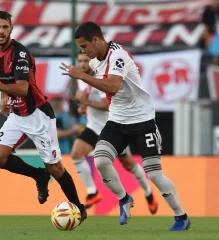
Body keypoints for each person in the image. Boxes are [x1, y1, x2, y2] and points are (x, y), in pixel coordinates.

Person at [60, 21, 190, 230]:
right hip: (117, 122)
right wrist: (85, 94)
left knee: (154, 173)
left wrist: (81, 76)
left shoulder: (118, 55)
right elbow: (100, 86)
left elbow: (112, 85)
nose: (83, 52)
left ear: (96, 40)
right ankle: (124, 198)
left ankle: (181, 216)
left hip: (142, 121)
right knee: (101, 161)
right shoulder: (95, 63)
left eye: (85, 47)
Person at [0, 11, 87, 222]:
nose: (1, 31)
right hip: (17, 115)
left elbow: (23, 88)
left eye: (4, 27)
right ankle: (38, 175)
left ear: (11, 28)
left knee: (55, 168)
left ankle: (79, 207)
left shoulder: (20, 54)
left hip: (38, 116)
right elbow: (5, 78)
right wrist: (2, 96)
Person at [72, 51, 158, 214]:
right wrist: (82, 107)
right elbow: (87, 100)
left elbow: (108, 104)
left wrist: (86, 102)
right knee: (76, 154)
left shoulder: (102, 79)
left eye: (85, 60)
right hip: (93, 126)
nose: (82, 64)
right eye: (80, 61)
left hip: (112, 128)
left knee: (129, 164)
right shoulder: (81, 79)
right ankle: (92, 192)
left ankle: (148, 193)